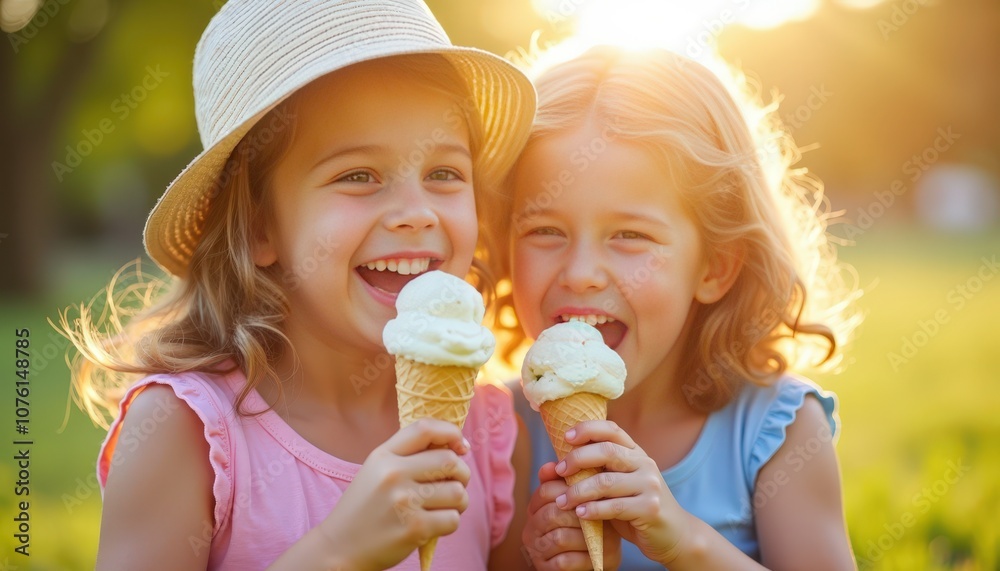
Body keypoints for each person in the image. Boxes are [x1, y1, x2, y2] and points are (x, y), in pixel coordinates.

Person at [57, 1, 537, 569]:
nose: (417, 212)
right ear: (259, 227)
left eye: (444, 174)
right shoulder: (184, 435)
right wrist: (338, 553)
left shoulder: (490, 429)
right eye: (358, 175)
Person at [497, 46, 862, 570]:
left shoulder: (774, 431)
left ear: (715, 266)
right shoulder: (504, 430)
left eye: (629, 235)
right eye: (545, 230)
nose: (580, 272)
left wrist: (683, 542)